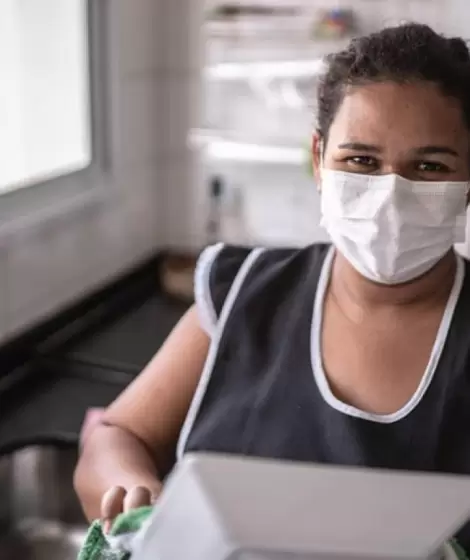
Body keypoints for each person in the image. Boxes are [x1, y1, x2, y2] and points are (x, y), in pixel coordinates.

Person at [75, 22, 470, 549]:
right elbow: (116, 435)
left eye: (428, 166)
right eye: (361, 161)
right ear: (318, 160)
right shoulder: (243, 293)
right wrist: (130, 489)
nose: (389, 197)